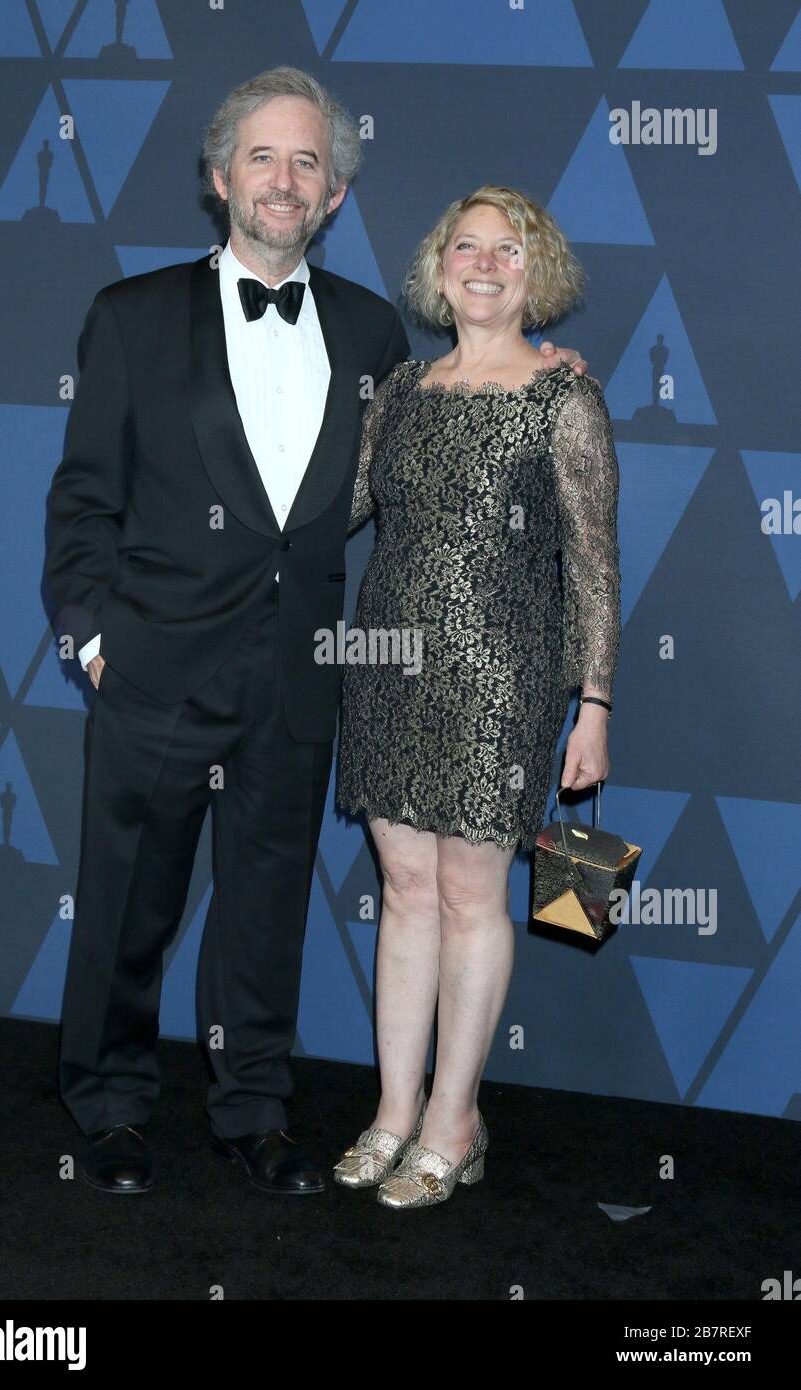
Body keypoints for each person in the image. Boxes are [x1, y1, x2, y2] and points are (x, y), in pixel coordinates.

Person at [46, 66, 587, 1197]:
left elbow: (448, 434)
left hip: (305, 673)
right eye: (263, 158)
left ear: (334, 192)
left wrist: (546, 368)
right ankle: (108, 1108)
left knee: (265, 908)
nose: (284, 180)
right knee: (125, 903)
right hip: (154, 665)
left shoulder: (367, 328)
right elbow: (82, 500)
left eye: (307, 162)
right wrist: (92, 641)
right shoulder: (130, 315)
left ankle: (253, 1111)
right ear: (218, 178)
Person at [334, 186, 621, 1209]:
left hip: (503, 675)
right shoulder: (403, 389)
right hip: (388, 666)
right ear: (437, 266)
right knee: (404, 891)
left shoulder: (563, 398)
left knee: (468, 892)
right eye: (468, 245)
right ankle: (391, 1110)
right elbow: (343, 503)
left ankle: (455, 1119)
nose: (485, 263)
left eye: (509, 249)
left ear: (535, 275)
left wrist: (593, 703)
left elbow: (592, 562)